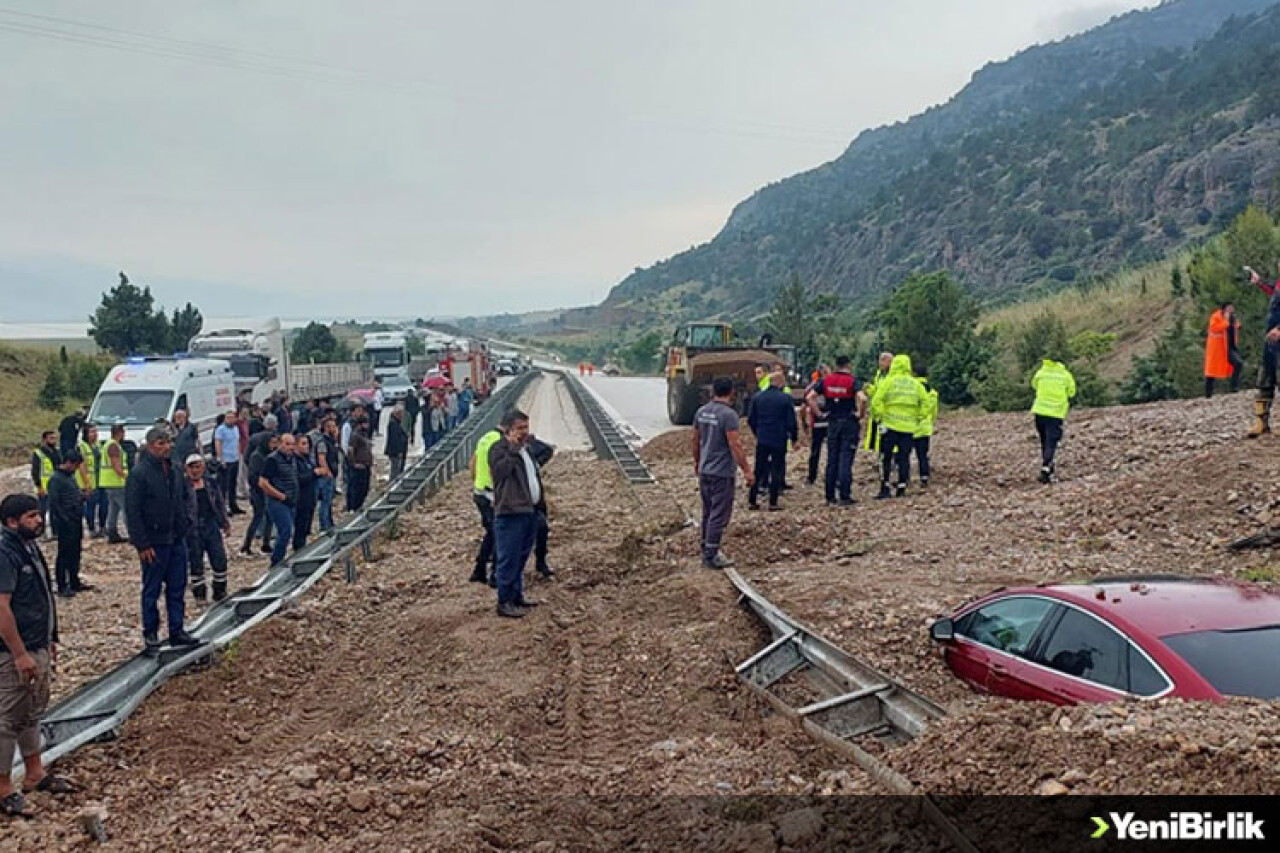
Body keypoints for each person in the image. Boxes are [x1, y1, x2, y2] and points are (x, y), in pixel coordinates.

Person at [0, 493, 75, 818]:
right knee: (7, 718)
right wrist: (18, 653)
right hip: (13, 651)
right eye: (31, 516)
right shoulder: (5, 553)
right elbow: (1, 607)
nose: (39, 520)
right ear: (11, 521)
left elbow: (43, 596)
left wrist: (50, 638)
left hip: (37, 643)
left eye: (38, 514)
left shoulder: (28, 547)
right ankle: (2, 787)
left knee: (32, 711)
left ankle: (34, 771)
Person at [125, 426, 199, 655]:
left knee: (177, 587)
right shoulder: (139, 474)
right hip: (154, 542)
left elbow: (183, 499)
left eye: (167, 443)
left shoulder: (175, 470)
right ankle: (151, 635)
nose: (165, 447)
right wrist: (142, 544)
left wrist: (185, 524)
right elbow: (132, 511)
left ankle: (177, 631)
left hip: (176, 538)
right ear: (149, 445)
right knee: (152, 590)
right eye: (160, 443)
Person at [692, 376, 754, 569]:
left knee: (708, 511)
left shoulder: (702, 412)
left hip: (705, 469)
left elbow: (695, 440)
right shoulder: (729, 415)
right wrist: (747, 470)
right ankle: (711, 555)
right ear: (732, 392)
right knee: (719, 514)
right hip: (722, 472)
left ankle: (705, 545)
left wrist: (697, 462)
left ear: (713, 391)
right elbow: (734, 444)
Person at [488, 409, 544, 618]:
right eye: (520, 428)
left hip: (529, 511)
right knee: (508, 559)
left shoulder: (525, 449)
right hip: (510, 513)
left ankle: (517, 596)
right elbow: (500, 473)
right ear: (508, 429)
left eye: (526, 427)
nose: (524, 432)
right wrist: (512, 448)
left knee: (521, 557)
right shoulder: (499, 449)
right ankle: (504, 601)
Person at [807, 356, 862, 507]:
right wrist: (860, 414)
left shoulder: (826, 381)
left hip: (832, 422)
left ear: (836, 365)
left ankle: (829, 495)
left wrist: (819, 414)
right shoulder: (852, 381)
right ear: (848, 365)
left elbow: (810, 397)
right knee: (845, 457)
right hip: (848, 422)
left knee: (832, 459)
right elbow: (862, 398)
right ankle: (845, 495)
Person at [870, 354, 927, 499]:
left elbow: (876, 401)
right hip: (908, 427)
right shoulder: (916, 384)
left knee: (886, 457)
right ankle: (902, 486)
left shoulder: (888, 382)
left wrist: (880, 417)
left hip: (889, 425)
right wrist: (917, 418)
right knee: (904, 457)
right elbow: (925, 404)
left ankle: (885, 486)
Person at [747, 370, 799, 511]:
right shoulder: (785, 398)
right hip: (779, 438)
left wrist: (757, 432)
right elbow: (791, 422)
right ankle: (773, 502)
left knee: (759, 468)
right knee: (776, 469)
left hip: (763, 438)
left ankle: (752, 499)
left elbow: (751, 419)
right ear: (780, 382)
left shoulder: (757, 397)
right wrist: (794, 438)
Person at [183, 455, 229, 603]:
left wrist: (225, 523)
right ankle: (200, 594)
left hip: (211, 525)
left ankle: (220, 591)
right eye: (192, 467)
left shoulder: (211, 483)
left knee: (219, 558)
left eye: (198, 467)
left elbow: (220, 503)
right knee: (196, 561)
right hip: (193, 529)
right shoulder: (182, 487)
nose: (195, 471)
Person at [47, 449, 89, 597]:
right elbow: (54, 503)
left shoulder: (70, 477)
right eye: (76, 465)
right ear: (69, 463)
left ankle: (74, 580)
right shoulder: (56, 479)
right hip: (65, 523)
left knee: (75, 552)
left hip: (76, 519)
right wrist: (64, 519)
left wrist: (82, 497)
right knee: (64, 554)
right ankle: (62, 585)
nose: (77, 469)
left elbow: (72, 496)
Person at [1030, 357, 1077, 484]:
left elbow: (1034, 385)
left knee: (1044, 440)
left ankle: (1047, 466)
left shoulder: (1041, 373)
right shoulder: (1065, 375)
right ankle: (1046, 468)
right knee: (1052, 441)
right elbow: (1072, 392)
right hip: (1055, 413)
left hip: (1039, 412)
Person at [468, 425, 503, 585]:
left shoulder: (485, 437)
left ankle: (479, 570)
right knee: (499, 534)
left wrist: (476, 483)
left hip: (479, 492)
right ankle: (495, 574)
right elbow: (493, 468)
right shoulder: (500, 442)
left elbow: (472, 463)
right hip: (491, 495)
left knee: (491, 532)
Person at [1248, 263, 1280, 436]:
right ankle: (1262, 423)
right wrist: (1259, 283)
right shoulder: (1279, 285)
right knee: (1265, 380)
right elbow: (1272, 293)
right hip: (1271, 341)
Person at [259, 432, 298, 567]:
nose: (290, 447)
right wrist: (280, 495)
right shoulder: (272, 460)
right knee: (285, 530)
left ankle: (281, 557)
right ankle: (276, 561)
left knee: (288, 531)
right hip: (277, 501)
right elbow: (263, 482)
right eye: (287, 444)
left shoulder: (292, 458)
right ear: (280, 444)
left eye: (292, 444)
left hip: (291, 500)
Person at [242, 432, 278, 556]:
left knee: (269, 518)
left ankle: (266, 543)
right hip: (258, 492)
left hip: (267, 491)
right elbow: (253, 476)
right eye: (272, 443)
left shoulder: (269, 456)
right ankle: (246, 545)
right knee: (258, 517)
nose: (274, 445)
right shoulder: (256, 457)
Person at [528, 436, 557, 578]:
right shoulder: (505, 450)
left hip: (536, 501)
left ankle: (541, 562)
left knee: (542, 529)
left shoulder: (528, 448)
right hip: (514, 502)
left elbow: (547, 450)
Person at [100, 423, 130, 543]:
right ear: (120, 433)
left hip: (109, 482)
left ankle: (111, 532)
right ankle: (133, 533)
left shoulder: (108, 444)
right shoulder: (114, 446)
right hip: (116, 482)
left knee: (113, 509)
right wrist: (127, 477)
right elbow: (116, 466)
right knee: (126, 508)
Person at [77, 424, 108, 538]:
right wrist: (86, 482)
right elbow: (82, 465)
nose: (94, 434)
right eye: (91, 432)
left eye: (95, 432)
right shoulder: (82, 446)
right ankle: (91, 529)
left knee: (104, 505)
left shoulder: (98, 445)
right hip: (90, 481)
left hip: (102, 480)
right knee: (91, 506)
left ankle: (102, 527)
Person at [861, 352, 893, 458]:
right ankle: (880, 456)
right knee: (878, 435)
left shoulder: (892, 376)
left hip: (888, 411)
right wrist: (869, 388)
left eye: (883, 360)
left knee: (887, 435)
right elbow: (877, 391)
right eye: (880, 359)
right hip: (877, 411)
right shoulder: (879, 374)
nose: (880, 362)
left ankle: (890, 458)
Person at [913, 365, 940, 488]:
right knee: (922, 454)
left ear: (914, 373)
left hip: (910, 426)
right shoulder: (932, 392)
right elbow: (934, 411)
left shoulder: (913, 388)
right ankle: (924, 477)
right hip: (925, 428)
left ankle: (904, 478)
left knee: (904, 454)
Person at [214, 410, 244, 515]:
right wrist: (220, 458)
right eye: (228, 418)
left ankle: (233, 504)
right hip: (226, 460)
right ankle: (224, 507)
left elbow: (238, 441)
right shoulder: (220, 429)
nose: (230, 420)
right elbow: (218, 443)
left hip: (235, 458)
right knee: (224, 485)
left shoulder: (236, 428)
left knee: (232, 484)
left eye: (232, 417)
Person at [292, 434, 318, 554]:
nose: (306, 446)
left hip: (310, 497)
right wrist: (314, 473)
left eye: (307, 443)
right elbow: (298, 479)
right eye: (303, 444)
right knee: (300, 527)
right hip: (300, 499)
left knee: (306, 527)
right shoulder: (294, 461)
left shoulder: (307, 459)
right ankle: (298, 551)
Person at [804, 366, 829, 486]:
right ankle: (831, 475)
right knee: (832, 450)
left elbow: (805, 407)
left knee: (815, 451)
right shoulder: (828, 385)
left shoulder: (810, 387)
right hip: (828, 421)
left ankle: (811, 476)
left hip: (817, 422)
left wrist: (806, 424)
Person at [30, 430, 60, 532]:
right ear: (44, 440)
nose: (54, 440)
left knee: (55, 511)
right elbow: (35, 471)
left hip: (55, 486)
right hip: (44, 487)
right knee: (42, 511)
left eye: (55, 438)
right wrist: (39, 486)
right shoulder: (39, 453)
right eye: (51, 438)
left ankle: (55, 531)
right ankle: (41, 531)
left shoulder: (56, 452)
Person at [314, 416, 340, 531]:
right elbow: (321, 458)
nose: (335, 429)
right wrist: (327, 472)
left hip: (332, 474)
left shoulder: (331, 441)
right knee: (325, 502)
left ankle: (329, 523)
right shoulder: (323, 442)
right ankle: (324, 526)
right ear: (326, 428)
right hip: (326, 476)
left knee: (329, 502)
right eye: (332, 426)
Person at [1204, 303, 1234, 399]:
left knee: (1237, 364)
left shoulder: (1232, 317)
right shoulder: (1216, 316)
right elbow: (1214, 328)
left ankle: (1234, 388)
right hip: (1216, 349)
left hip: (1227, 347)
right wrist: (1225, 322)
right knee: (1210, 372)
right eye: (1229, 307)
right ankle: (1208, 394)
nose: (1232, 309)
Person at [347, 419, 374, 511]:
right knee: (357, 487)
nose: (367, 425)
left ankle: (360, 505)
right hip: (359, 465)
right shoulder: (355, 435)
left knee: (365, 487)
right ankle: (354, 506)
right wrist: (354, 463)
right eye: (365, 423)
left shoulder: (364, 434)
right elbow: (351, 450)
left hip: (366, 464)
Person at [385, 406, 409, 480]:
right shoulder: (393, 424)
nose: (402, 416)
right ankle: (393, 484)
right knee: (395, 470)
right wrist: (399, 451)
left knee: (398, 468)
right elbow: (395, 439)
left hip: (398, 451)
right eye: (401, 414)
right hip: (395, 451)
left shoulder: (396, 423)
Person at [1227, 305, 1244, 393]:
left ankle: (1234, 386)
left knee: (1238, 364)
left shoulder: (1234, 318)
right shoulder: (1221, 318)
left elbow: (1238, 326)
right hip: (1224, 346)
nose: (1232, 309)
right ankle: (1233, 387)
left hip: (1232, 346)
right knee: (1238, 363)